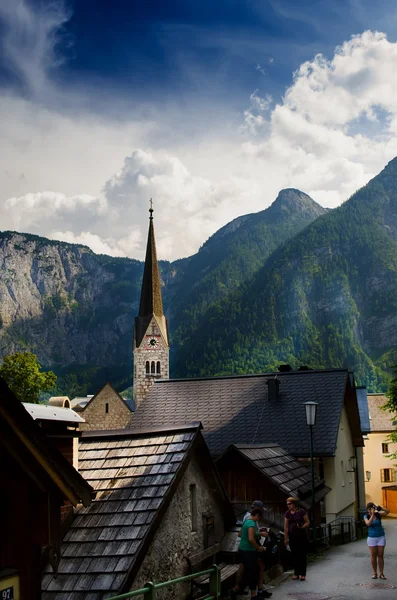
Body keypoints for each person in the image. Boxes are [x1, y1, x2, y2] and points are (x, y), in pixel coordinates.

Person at [230, 507, 271, 600]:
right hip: (249, 551)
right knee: (251, 573)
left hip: (242, 550)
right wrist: (259, 548)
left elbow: (240, 534)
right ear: (256, 515)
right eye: (259, 518)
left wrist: (259, 534)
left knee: (250, 573)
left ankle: (238, 592)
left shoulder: (246, 521)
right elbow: (251, 539)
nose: (258, 520)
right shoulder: (251, 523)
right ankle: (240, 592)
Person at [284, 497, 310, 581]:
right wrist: (286, 537)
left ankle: (303, 573)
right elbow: (286, 526)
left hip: (301, 536)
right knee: (294, 555)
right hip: (292, 537)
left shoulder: (301, 512)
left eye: (289, 504)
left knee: (302, 554)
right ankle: (296, 572)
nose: (288, 505)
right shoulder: (287, 513)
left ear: (294, 504)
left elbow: (307, 522)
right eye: (287, 504)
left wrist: (302, 526)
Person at [364, 502, 390, 579]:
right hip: (372, 538)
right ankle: (374, 573)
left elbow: (387, 512)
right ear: (367, 509)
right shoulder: (366, 516)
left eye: (372, 508)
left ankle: (381, 573)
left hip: (381, 537)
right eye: (370, 509)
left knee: (380, 555)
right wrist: (372, 515)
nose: (371, 510)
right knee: (373, 555)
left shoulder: (378, 515)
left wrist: (381, 508)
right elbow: (368, 524)